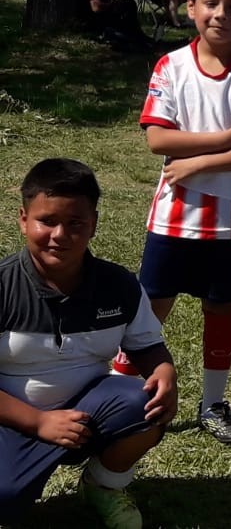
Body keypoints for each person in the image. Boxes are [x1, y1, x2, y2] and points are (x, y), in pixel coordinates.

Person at [130, 0, 231, 448]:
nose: (221, 14)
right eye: (210, 3)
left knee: (222, 307)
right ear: (191, 7)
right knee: (150, 309)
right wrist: (226, 138)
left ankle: (212, 403)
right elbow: (157, 140)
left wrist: (195, 163)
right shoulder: (170, 66)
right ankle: (126, 395)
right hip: (174, 219)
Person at [0, 158, 177, 528]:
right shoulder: (3, 286)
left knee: (144, 404)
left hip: (87, 409)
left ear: (94, 223)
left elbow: (146, 345)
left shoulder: (119, 285)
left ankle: (103, 485)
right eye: (46, 221)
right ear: (22, 219)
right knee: (6, 500)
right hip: (11, 418)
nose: (60, 235)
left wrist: (163, 370)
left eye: (75, 223)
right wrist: (38, 422)